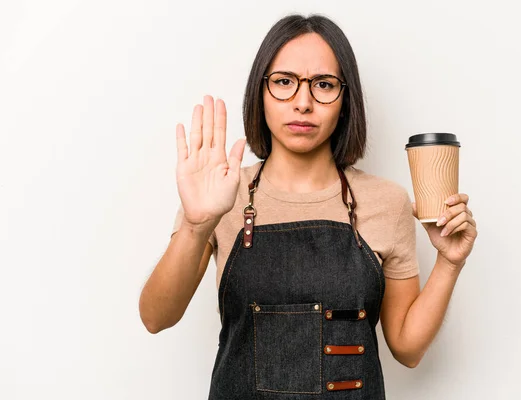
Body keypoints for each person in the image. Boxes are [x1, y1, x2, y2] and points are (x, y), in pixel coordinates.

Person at [139, 13, 478, 399]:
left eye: (323, 85)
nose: (303, 103)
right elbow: (155, 317)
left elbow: (407, 348)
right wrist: (196, 225)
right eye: (284, 82)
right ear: (260, 92)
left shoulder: (388, 202)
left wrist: (450, 262)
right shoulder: (219, 193)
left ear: (345, 99)